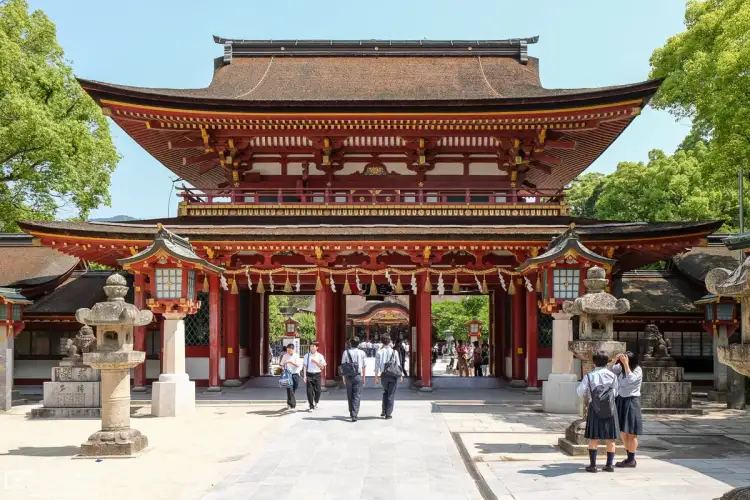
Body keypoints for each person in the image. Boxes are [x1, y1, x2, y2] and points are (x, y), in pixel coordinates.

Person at [577, 350, 619, 473]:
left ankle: (593, 465)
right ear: (607, 362)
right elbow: (616, 393)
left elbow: (580, 392)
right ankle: (609, 465)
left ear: (594, 362)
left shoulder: (589, 376)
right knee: (610, 438)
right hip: (610, 408)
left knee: (593, 437)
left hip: (594, 407)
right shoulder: (613, 376)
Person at [611, 351, 643, 468]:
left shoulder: (637, 370)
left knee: (632, 433)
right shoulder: (620, 369)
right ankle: (629, 456)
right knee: (623, 431)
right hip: (621, 400)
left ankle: (631, 459)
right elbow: (610, 371)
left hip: (632, 401)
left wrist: (626, 364)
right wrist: (615, 360)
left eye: (626, 359)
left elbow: (631, 380)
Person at [375, 334, 404, 419]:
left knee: (385, 392)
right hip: (393, 375)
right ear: (390, 341)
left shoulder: (379, 352)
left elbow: (376, 366)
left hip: (384, 375)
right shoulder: (395, 352)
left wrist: (376, 376)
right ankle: (388, 413)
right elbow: (398, 364)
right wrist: (401, 375)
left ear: (382, 342)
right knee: (391, 394)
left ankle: (383, 410)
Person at [341, 336, 367, 422]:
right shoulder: (362, 353)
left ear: (350, 343)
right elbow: (364, 366)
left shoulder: (346, 352)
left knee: (349, 394)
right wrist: (363, 377)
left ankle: (351, 411)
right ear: (358, 344)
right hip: (358, 375)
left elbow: (343, 366)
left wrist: (343, 377)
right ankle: (354, 414)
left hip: (348, 376)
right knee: (357, 394)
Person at [303, 341, 327, 411]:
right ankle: (311, 406)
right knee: (309, 391)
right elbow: (304, 366)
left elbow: (322, 367)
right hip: (309, 374)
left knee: (318, 391)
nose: (312, 347)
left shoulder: (320, 356)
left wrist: (316, 362)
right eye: (311, 346)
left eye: (314, 346)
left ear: (317, 347)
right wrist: (305, 376)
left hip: (317, 374)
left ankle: (316, 401)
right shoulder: (306, 355)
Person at [280, 343, 302, 412]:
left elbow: (298, 365)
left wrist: (290, 362)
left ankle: (289, 402)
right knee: (290, 389)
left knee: (294, 388)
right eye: (287, 350)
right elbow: (281, 364)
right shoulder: (285, 356)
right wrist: (282, 368)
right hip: (288, 374)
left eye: (290, 350)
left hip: (295, 374)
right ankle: (293, 406)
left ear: (293, 350)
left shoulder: (296, 356)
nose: (288, 351)